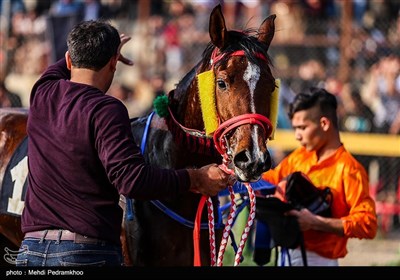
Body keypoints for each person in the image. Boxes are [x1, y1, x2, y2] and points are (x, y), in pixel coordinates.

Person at [15, 20, 233, 267]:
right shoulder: (106, 109)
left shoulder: (42, 92)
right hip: (85, 255)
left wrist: (103, 50)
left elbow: (63, 65)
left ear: (68, 61)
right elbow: (132, 181)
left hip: (29, 252)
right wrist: (195, 179)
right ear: (113, 63)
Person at [261, 87, 377, 266]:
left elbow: (367, 224)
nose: (297, 136)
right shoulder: (300, 156)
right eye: (295, 128)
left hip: (320, 260)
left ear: (324, 124)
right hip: (286, 255)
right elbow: (271, 179)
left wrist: (317, 222)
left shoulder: (349, 169)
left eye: (302, 128)